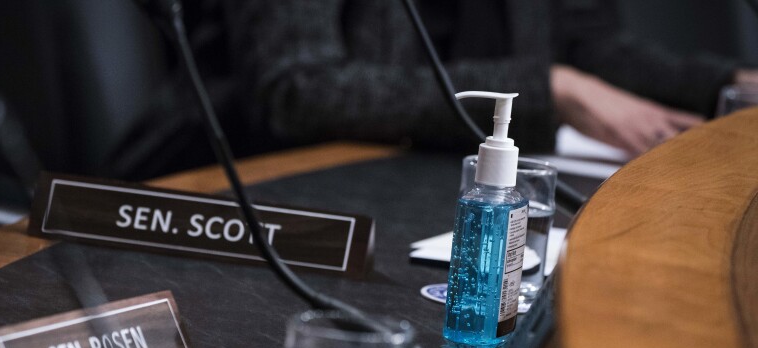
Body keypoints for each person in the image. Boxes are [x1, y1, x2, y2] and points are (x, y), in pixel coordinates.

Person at [224, 0, 758, 156]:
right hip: (272, 182)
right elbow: (297, 91)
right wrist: (552, 88)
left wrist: (725, 87)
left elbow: (589, 44)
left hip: (445, 172)